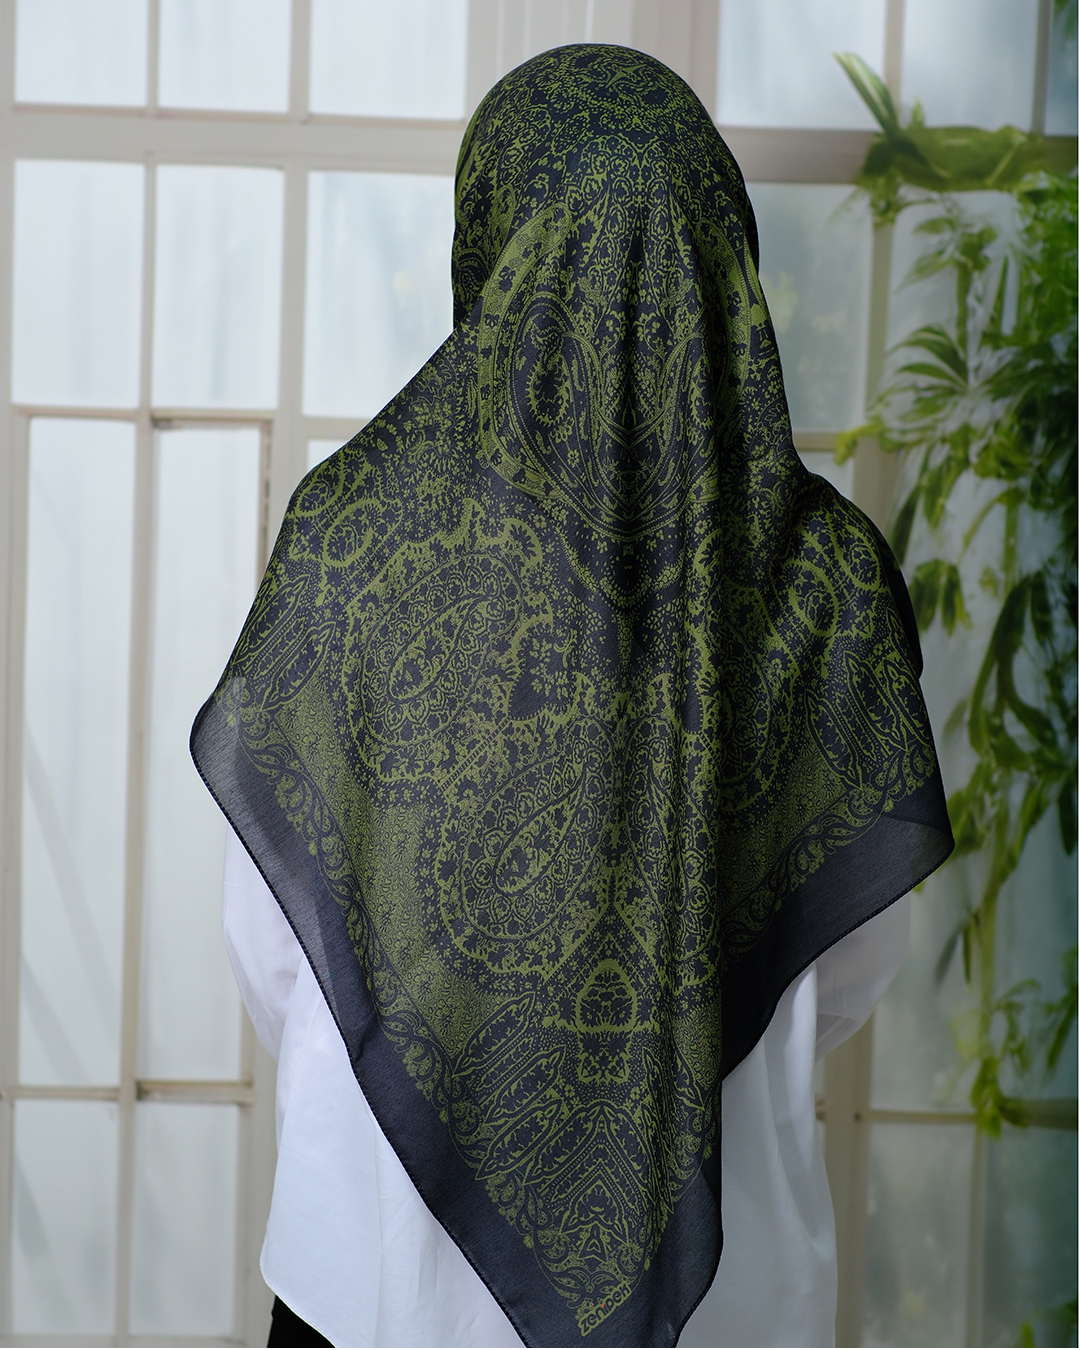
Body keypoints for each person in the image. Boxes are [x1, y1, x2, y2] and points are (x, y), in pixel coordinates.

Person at [192, 44, 953, 1349]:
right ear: (723, 255)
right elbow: (848, 959)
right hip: (726, 1302)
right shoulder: (825, 579)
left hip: (370, 1274)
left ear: (491, 244)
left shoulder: (352, 542)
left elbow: (271, 939)